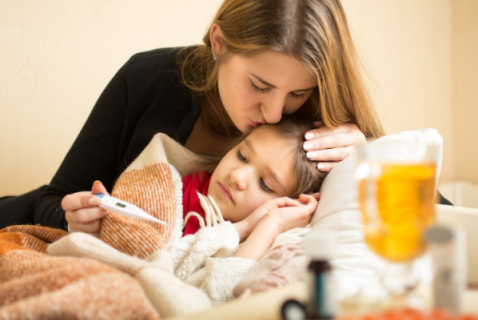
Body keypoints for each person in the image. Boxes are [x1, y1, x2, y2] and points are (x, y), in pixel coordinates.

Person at [0, 0, 385, 231]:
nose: (273, 113)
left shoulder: (322, 125)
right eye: (258, 85)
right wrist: (75, 220)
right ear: (218, 42)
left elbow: (431, 210)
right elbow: (52, 199)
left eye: (297, 94)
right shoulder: (148, 77)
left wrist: (370, 159)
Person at [70, 118, 325, 304]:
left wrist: (267, 225)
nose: (238, 176)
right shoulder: (167, 184)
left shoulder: (263, 247)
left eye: (265, 184)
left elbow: (217, 301)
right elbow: (137, 254)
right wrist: (95, 224)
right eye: (243, 156)